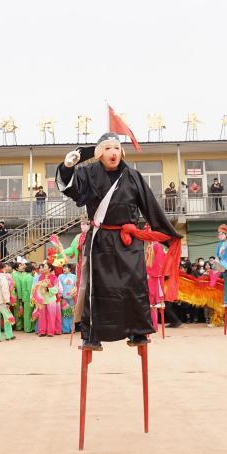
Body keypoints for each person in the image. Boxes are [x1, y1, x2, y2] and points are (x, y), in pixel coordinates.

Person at [55, 132, 181, 349]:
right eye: (107, 148)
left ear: (121, 151)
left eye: (116, 148)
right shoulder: (88, 172)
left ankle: (138, 332)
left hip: (128, 239)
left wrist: (168, 235)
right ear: (98, 153)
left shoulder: (133, 176)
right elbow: (70, 189)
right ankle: (92, 335)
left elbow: (150, 205)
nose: (112, 153)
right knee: (97, 287)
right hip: (100, 239)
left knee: (135, 284)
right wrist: (67, 167)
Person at [31, 263, 61, 336]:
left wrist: (48, 288)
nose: (43, 268)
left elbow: (56, 289)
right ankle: (42, 331)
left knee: (51, 315)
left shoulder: (54, 277)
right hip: (42, 299)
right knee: (41, 316)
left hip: (51, 299)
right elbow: (36, 287)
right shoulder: (40, 277)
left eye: (45, 267)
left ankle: (50, 332)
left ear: (50, 269)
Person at [57, 264, 77, 334]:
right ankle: (65, 329)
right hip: (64, 297)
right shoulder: (60, 276)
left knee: (72, 312)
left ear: (69, 269)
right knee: (65, 313)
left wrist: (74, 293)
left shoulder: (74, 276)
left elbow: (76, 286)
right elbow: (59, 286)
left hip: (72, 297)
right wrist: (60, 295)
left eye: (65, 268)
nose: (64, 269)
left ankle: (72, 329)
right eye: (63, 268)